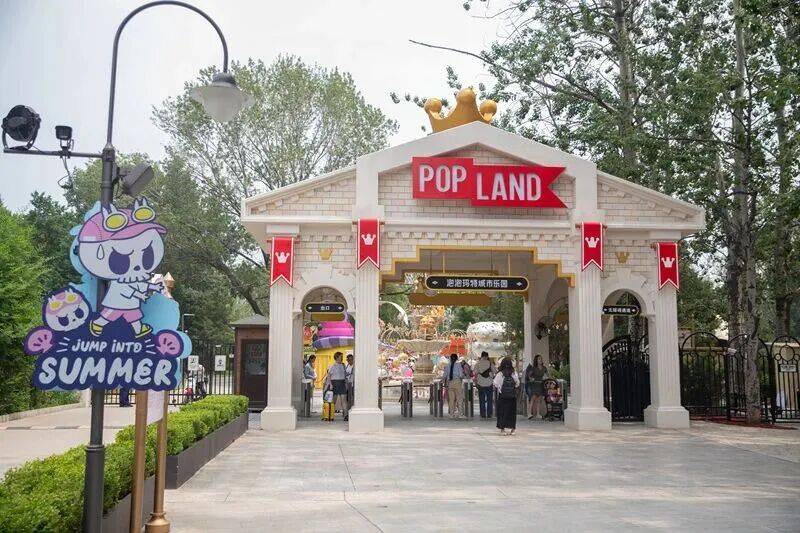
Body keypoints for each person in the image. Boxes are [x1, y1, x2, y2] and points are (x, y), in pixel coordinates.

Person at [494, 357, 520, 435]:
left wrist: (500, 389)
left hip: (503, 396)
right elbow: (517, 383)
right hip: (512, 396)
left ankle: (502, 430)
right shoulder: (514, 373)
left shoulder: (500, 373)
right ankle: (513, 429)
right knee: (512, 412)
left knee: (502, 412)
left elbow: (496, 384)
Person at [324, 352, 348, 421]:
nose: (342, 358)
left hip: (342, 383)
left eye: (342, 356)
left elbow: (345, 375)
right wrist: (330, 384)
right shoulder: (332, 366)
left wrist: (346, 384)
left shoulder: (343, 365)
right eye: (340, 357)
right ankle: (330, 415)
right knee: (333, 401)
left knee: (344, 400)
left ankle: (346, 415)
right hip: (334, 383)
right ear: (337, 357)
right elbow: (329, 375)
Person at [441, 353, 465, 418]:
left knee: (451, 399)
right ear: (457, 358)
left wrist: (442, 380)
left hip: (450, 383)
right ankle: (460, 414)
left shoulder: (447, 365)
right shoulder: (458, 365)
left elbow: (444, 375)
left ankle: (451, 414)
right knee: (459, 398)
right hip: (457, 382)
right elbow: (461, 375)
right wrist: (463, 376)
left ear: (450, 358)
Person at [525, 355, 548, 420]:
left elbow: (547, 375)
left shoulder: (544, 368)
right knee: (533, 398)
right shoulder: (533, 368)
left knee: (539, 400)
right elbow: (529, 376)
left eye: (541, 359)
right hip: (534, 385)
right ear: (536, 360)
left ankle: (538, 414)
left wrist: (546, 378)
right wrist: (531, 378)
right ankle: (529, 413)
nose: (540, 360)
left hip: (541, 384)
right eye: (539, 359)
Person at [474, 351, 495, 418]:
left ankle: (482, 414)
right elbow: (495, 371)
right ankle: (489, 414)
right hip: (489, 383)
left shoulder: (477, 364)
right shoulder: (490, 363)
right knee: (489, 400)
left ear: (481, 356)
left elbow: (475, 372)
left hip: (480, 383)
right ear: (487, 356)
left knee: (482, 399)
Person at [345, 353, 355, 418]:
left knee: (352, 399)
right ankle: (348, 412)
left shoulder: (354, 366)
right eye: (348, 360)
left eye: (350, 359)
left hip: (352, 385)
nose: (349, 361)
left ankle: (351, 412)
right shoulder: (347, 365)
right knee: (347, 399)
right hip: (347, 385)